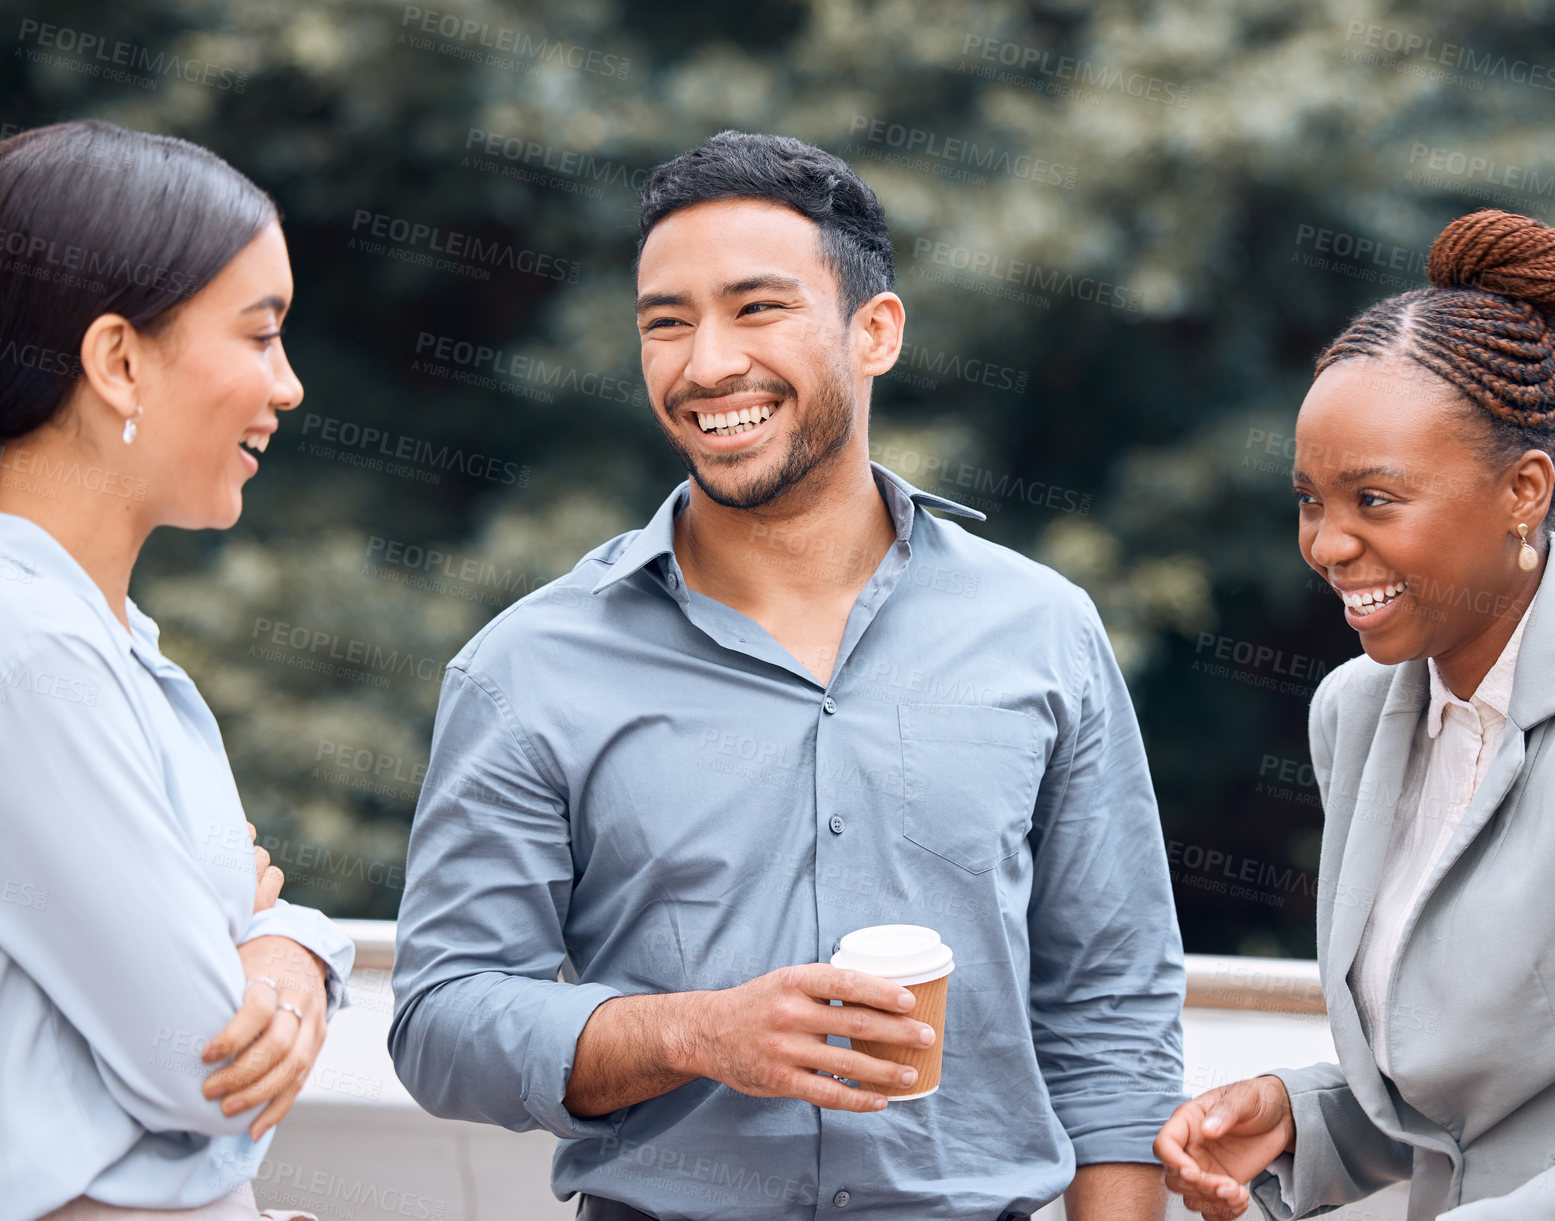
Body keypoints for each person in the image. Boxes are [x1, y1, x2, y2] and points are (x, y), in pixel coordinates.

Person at [390, 131, 1186, 1220]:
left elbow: (1111, 1005)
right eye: (666, 322)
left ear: (876, 333)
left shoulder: (1042, 632)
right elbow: (441, 1020)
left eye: (756, 309)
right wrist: (694, 1032)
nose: (707, 363)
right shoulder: (525, 668)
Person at [1154, 209, 1555, 1221]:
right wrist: (1301, 1113)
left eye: (1374, 500)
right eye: (1309, 500)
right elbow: (1462, 1099)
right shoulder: (1357, 715)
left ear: (1524, 490)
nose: (1327, 544)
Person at [0, 121, 354, 1220]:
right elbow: (204, 1062)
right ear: (117, 360)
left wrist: (289, 942)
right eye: (259, 335)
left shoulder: (97, 632)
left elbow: (220, 981)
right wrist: (261, 939)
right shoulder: (29, 645)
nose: (287, 386)